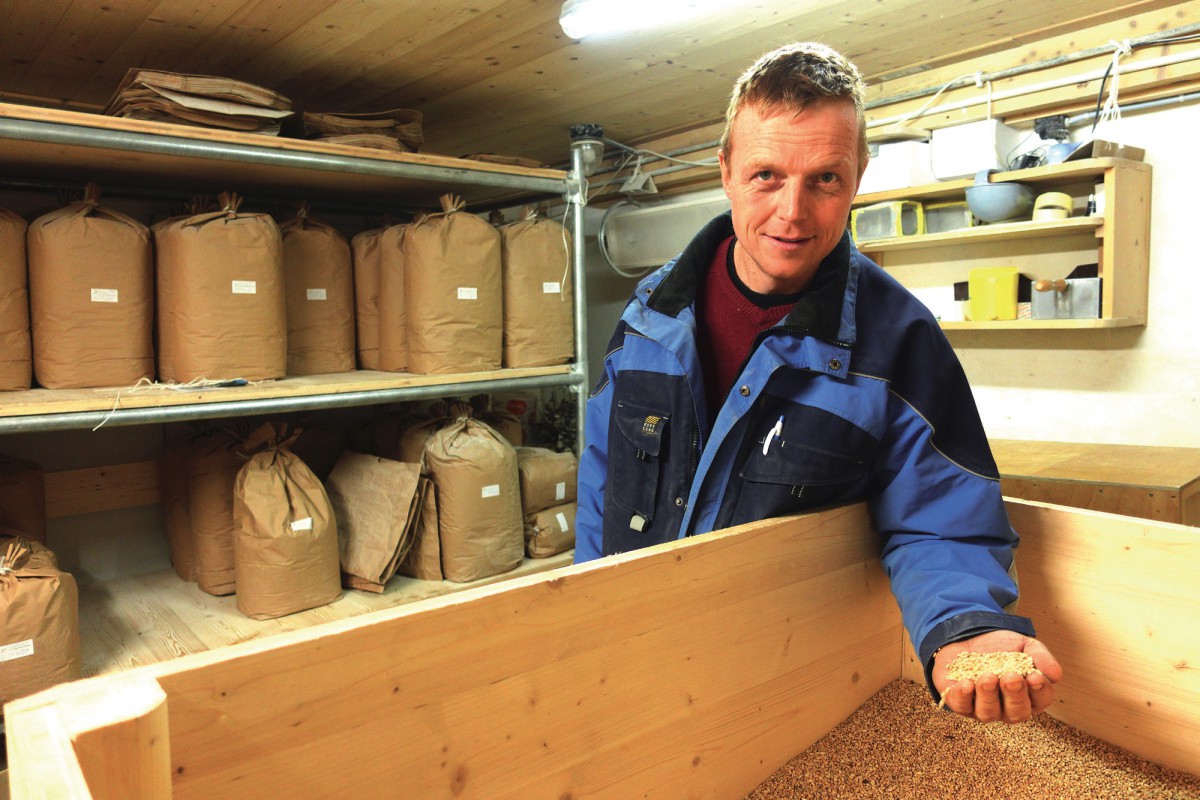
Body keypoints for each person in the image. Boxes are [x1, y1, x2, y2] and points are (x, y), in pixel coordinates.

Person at [573, 41, 1062, 724]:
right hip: (633, 648)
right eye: (766, 175)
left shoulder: (901, 343)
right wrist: (581, 615)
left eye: (824, 179)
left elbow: (941, 521)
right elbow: (603, 475)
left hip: (776, 683)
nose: (792, 212)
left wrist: (963, 628)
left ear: (858, 175)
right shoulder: (650, 314)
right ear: (726, 171)